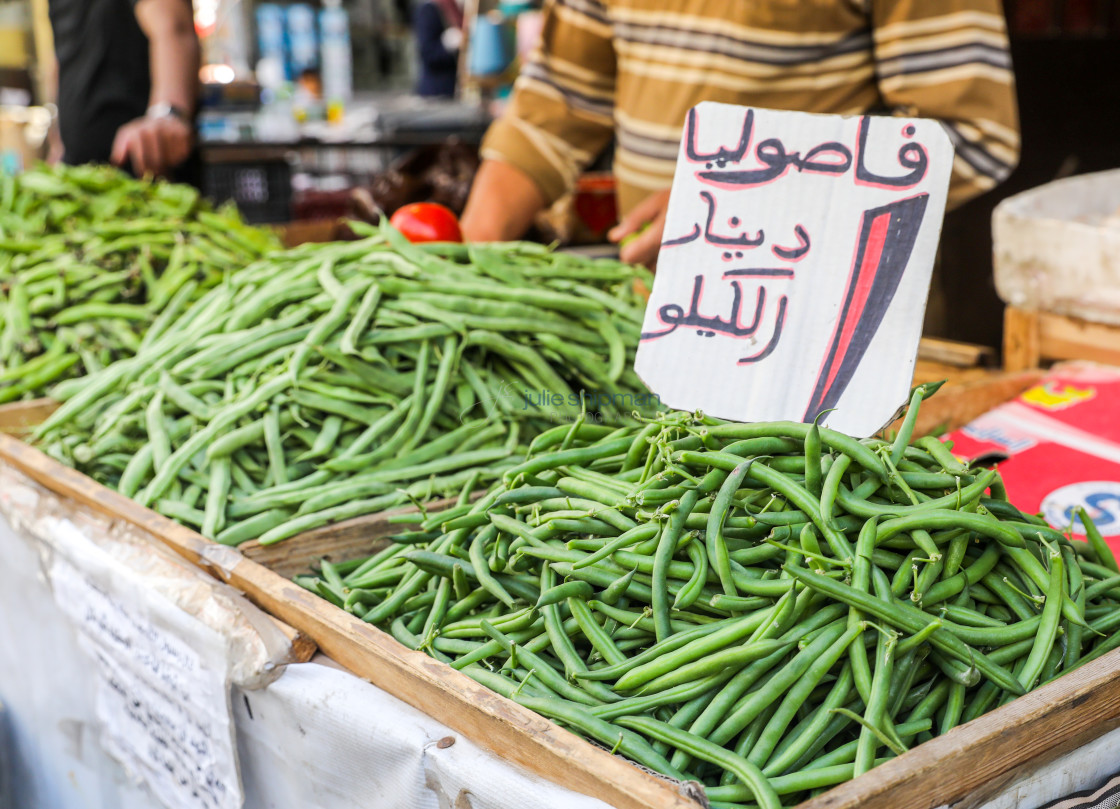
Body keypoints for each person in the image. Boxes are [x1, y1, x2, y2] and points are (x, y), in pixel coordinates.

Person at [460, 0, 1020, 267]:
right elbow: (557, 104)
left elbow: (967, 136)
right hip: (648, 317)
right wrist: (454, 272)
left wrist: (737, 204)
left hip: (830, 326)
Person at [48, 0, 200, 179]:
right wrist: (57, 142)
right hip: (80, 173)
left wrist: (167, 113)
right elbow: (65, 57)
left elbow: (173, 28)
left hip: (146, 172)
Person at [413, 0, 465, 98]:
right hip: (437, 91)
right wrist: (447, 45)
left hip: (456, 89)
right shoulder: (429, 10)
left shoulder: (456, 9)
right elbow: (428, 54)